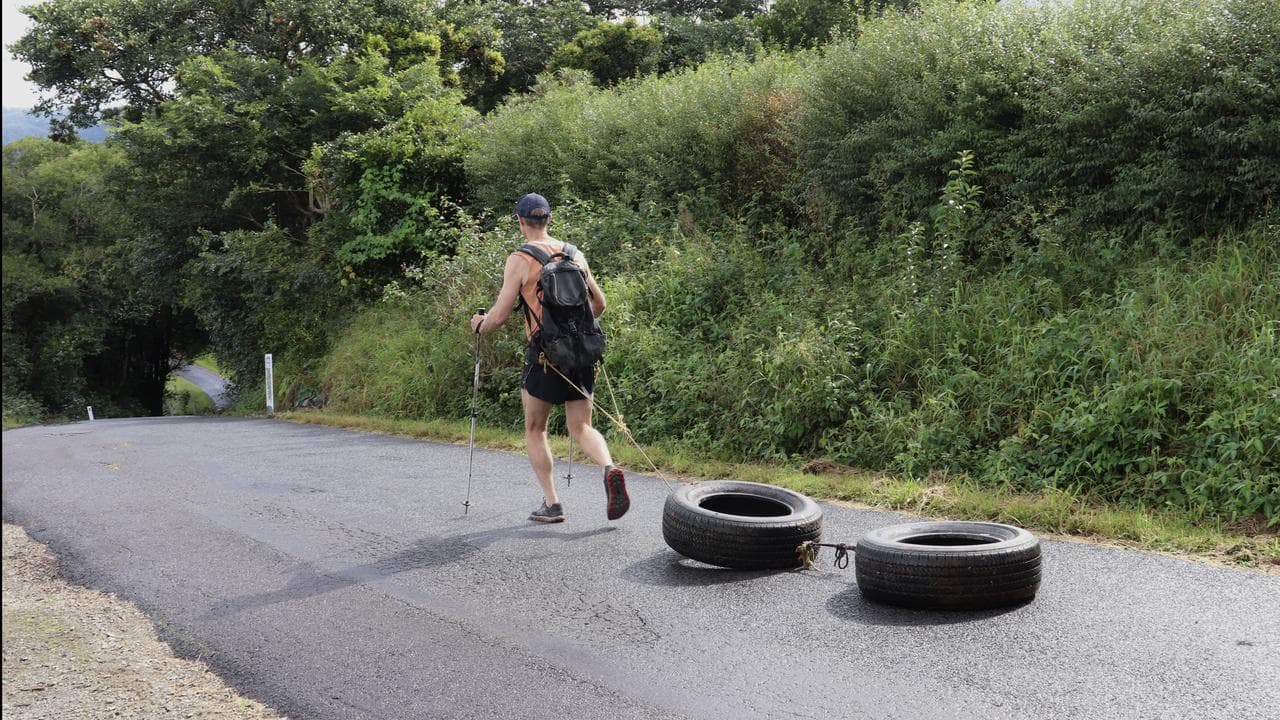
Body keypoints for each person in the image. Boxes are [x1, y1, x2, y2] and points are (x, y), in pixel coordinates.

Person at [470, 193, 629, 524]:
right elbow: (599, 305)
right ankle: (609, 468)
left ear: (520, 221)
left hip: (544, 356)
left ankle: (552, 504)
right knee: (581, 425)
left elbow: (498, 316)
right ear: (549, 220)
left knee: (535, 427)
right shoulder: (575, 254)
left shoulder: (520, 259)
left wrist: (480, 326)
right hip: (582, 354)